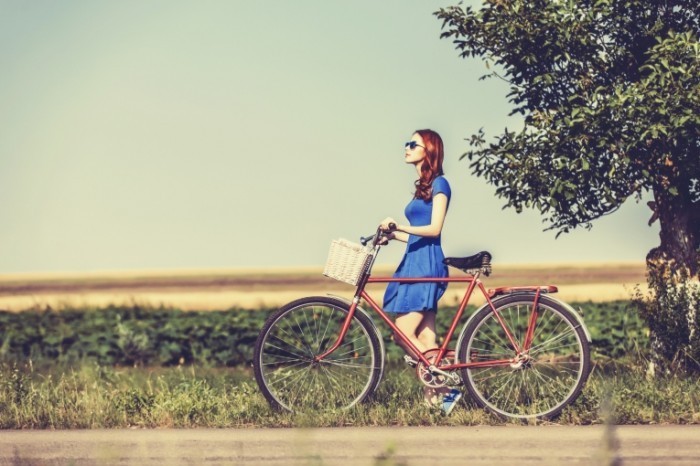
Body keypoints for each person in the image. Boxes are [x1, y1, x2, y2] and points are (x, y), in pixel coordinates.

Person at [379, 129, 461, 414]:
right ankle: (437, 405)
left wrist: (399, 227)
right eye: (407, 143)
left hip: (426, 264)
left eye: (413, 144)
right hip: (414, 259)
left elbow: (435, 229)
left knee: (402, 333)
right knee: (426, 339)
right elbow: (417, 236)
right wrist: (392, 236)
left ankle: (447, 388)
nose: (406, 147)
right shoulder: (423, 187)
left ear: (429, 150)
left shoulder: (441, 184)